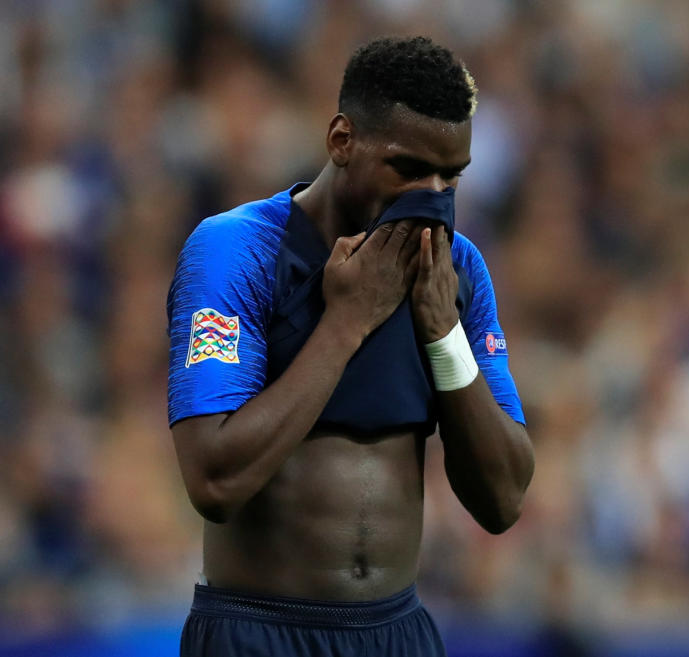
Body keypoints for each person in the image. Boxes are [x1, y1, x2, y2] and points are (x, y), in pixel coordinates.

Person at [166, 36, 535, 656]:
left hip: (396, 633)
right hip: (260, 631)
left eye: (452, 176)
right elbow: (214, 481)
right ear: (342, 141)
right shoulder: (238, 251)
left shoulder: (457, 271)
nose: (434, 196)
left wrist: (443, 333)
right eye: (410, 169)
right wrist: (347, 323)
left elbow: (503, 498)